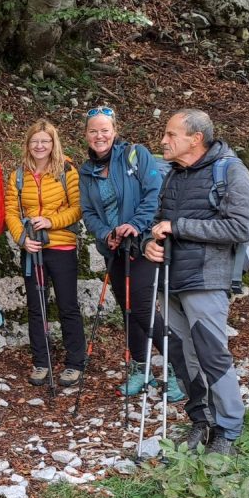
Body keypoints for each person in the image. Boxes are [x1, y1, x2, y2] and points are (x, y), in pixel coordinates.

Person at [143, 109, 249, 456]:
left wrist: (179, 227)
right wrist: (151, 243)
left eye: (171, 134)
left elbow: (240, 228)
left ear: (195, 139)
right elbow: (160, 222)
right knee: (182, 354)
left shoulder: (231, 171)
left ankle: (228, 431)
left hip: (207, 278)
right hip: (172, 278)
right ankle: (201, 421)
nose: (164, 140)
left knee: (211, 354)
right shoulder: (174, 175)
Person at [78, 106, 184, 401]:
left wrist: (134, 226)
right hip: (114, 248)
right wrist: (106, 233)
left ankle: (180, 368)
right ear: (86, 134)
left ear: (114, 130)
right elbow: (88, 212)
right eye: (93, 131)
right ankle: (141, 368)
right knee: (127, 309)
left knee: (141, 306)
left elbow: (155, 193)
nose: (99, 136)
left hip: (144, 243)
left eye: (104, 130)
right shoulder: (86, 171)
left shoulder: (135, 155)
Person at [5, 119, 87, 387]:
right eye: (35, 141)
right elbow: (11, 212)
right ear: (27, 144)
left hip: (61, 246)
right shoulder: (18, 175)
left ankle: (75, 362)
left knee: (67, 305)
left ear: (54, 143)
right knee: (36, 307)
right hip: (32, 248)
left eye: (45, 141)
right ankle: (41, 361)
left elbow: (78, 208)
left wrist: (52, 222)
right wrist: (21, 238)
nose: (40, 146)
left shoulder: (67, 171)